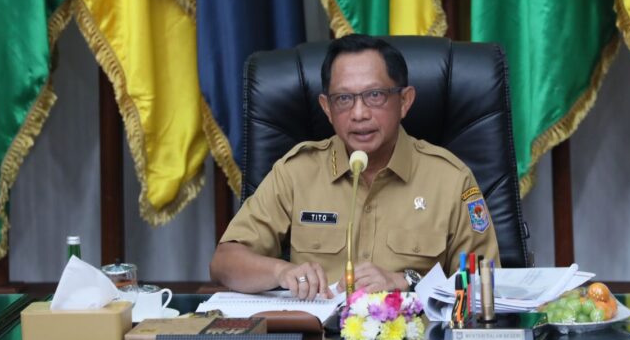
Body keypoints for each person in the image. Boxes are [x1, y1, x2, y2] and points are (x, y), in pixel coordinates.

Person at [209, 35, 500, 298]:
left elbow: (484, 283)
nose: (359, 113)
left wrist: (408, 281)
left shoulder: (450, 180)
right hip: (320, 337)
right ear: (326, 107)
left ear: (404, 101)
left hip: (415, 337)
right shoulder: (297, 172)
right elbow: (224, 262)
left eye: (374, 95)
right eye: (344, 99)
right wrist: (281, 271)